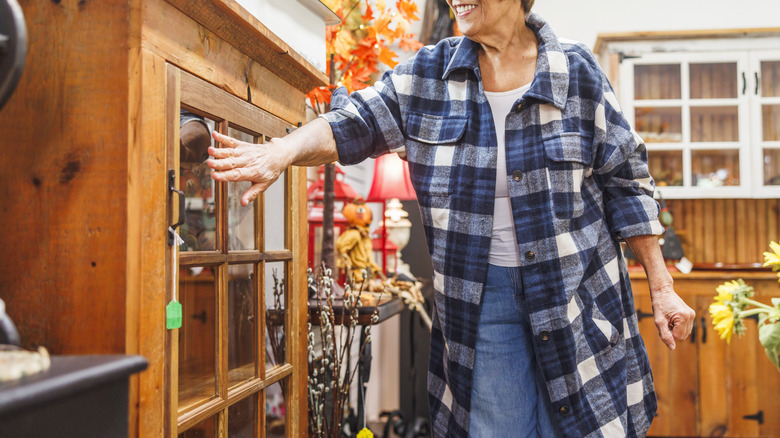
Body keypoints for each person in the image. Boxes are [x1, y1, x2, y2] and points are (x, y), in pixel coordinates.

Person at [206, 1, 696, 436]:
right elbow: (349, 124)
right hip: (483, 306)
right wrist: (282, 151)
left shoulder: (577, 72)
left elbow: (627, 182)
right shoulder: (426, 77)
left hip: (577, 296)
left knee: (586, 423)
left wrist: (661, 284)